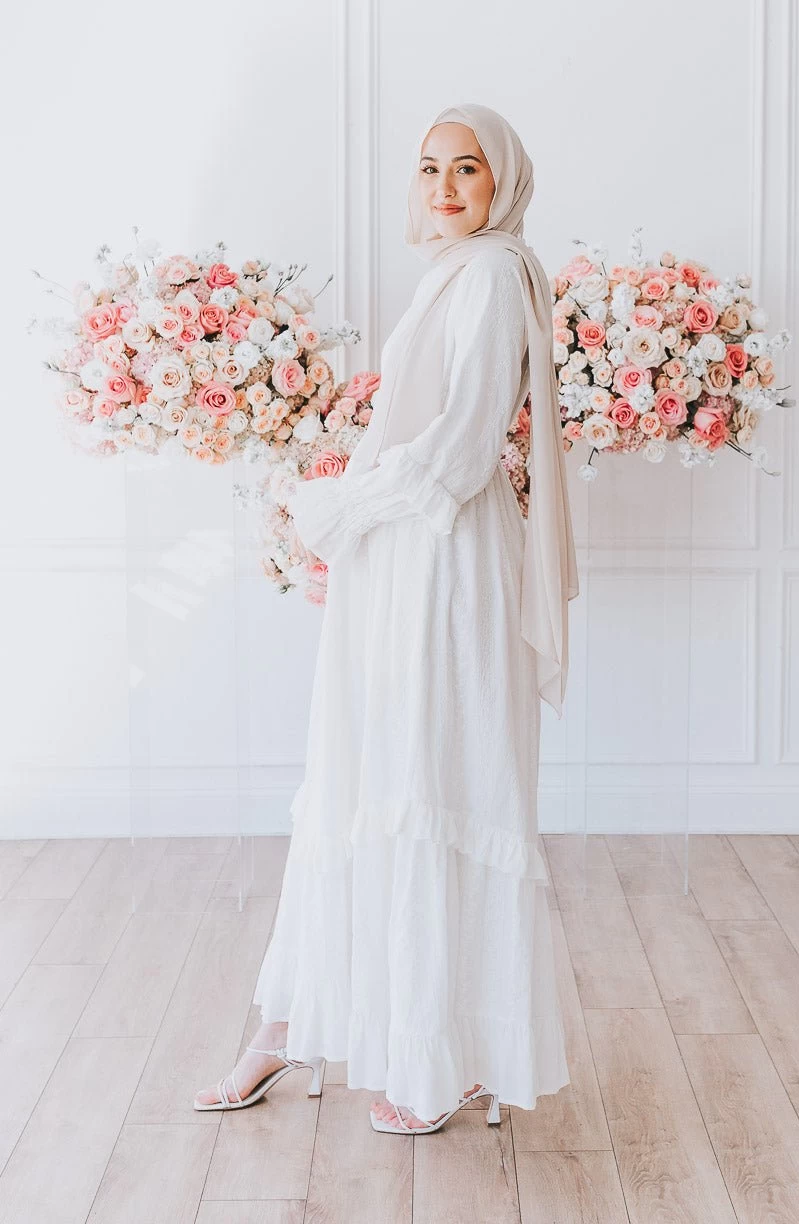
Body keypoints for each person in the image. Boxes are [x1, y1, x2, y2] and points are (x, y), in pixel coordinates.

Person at [194, 102, 579, 1134]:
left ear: (504, 180)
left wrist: (335, 508)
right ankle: (295, 1022)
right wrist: (348, 513)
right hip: (401, 556)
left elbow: (462, 447)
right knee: (363, 777)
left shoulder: (493, 272)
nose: (444, 186)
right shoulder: (454, 272)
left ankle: (440, 1052)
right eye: (429, 167)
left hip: (443, 561)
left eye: (468, 168)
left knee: (426, 779)